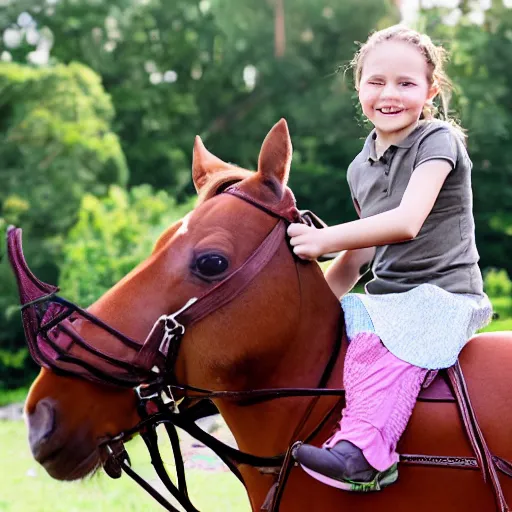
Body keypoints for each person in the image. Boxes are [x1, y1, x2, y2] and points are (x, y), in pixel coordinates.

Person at [287, 24, 493, 492]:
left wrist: (324, 239)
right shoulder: (360, 166)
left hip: (444, 295)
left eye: (406, 83)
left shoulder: (436, 141)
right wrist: (307, 308)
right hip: (389, 298)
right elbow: (357, 258)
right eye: (376, 82)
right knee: (334, 339)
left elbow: (407, 221)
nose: (389, 94)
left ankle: (367, 456)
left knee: (390, 348)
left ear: (430, 90)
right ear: (358, 86)